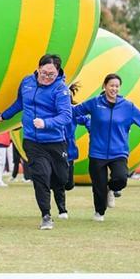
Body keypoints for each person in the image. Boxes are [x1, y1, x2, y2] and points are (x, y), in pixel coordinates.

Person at [0, 54, 72, 229]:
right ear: (38, 68)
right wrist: (4, 115)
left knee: (62, 179)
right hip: (32, 141)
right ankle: (46, 215)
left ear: (58, 73)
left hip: (55, 141)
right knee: (41, 176)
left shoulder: (61, 89)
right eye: (45, 73)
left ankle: (59, 193)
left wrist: (46, 123)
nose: (47, 77)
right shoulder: (27, 82)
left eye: (52, 74)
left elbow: (66, 116)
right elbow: (20, 103)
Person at [72, 74, 140, 222]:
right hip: (97, 152)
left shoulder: (127, 106)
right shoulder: (94, 103)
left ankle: (112, 188)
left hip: (119, 151)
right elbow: (74, 111)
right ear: (104, 86)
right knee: (98, 186)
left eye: (117, 86)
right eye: (111, 85)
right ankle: (99, 212)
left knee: (121, 179)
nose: (114, 88)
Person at [53, 82, 82, 218]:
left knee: (68, 184)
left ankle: (54, 182)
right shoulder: (51, 110)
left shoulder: (73, 111)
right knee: (59, 182)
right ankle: (62, 210)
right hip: (54, 148)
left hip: (69, 151)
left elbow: (86, 120)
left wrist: (93, 130)